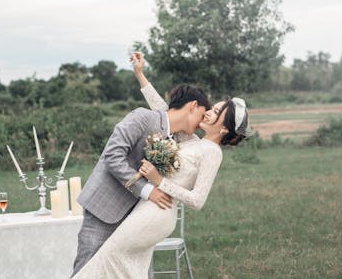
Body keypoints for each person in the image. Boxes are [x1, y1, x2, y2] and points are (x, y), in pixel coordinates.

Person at [72, 52, 251, 278]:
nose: (207, 113)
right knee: (116, 266)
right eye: (209, 109)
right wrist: (141, 76)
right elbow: (168, 113)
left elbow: (197, 200)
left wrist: (159, 182)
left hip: (157, 210)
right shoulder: (191, 140)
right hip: (134, 207)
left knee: (109, 263)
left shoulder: (212, 152)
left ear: (225, 128)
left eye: (215, 112)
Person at [72, 78, 211, 277]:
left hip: (137, 221)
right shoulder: (143, 117)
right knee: (88, 271)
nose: (202, 122)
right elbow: (112, 156)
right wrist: (147, 190)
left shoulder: (178, 141)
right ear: (193, 105)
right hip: (105, 210)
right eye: (202, 115)